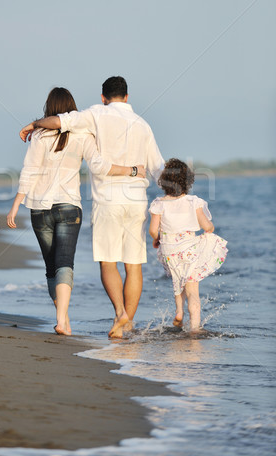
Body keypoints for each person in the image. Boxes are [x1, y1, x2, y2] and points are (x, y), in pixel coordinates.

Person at [19, 77, 164, 338]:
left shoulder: (96, 114)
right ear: (127, 97)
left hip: (108, 201)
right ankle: (126, 323)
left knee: (108, 263)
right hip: (137, 201)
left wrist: (35, 123)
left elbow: (59, 121)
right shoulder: (143, 125)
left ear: (103, 97)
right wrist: (175, 201)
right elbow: (158, 169)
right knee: (134, 265)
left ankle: (120, 313)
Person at [149, 158, 228, 332]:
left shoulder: (159, 204)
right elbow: (207, 227)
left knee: (178, 280)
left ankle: (179, 312)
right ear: (187, 182)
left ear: (164, 182)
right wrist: (210, 227)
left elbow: (153, 230)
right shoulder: (194, 202)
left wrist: (158, 239)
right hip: (189, 251)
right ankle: (194, 329)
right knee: (192, 290)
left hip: (170, 251)